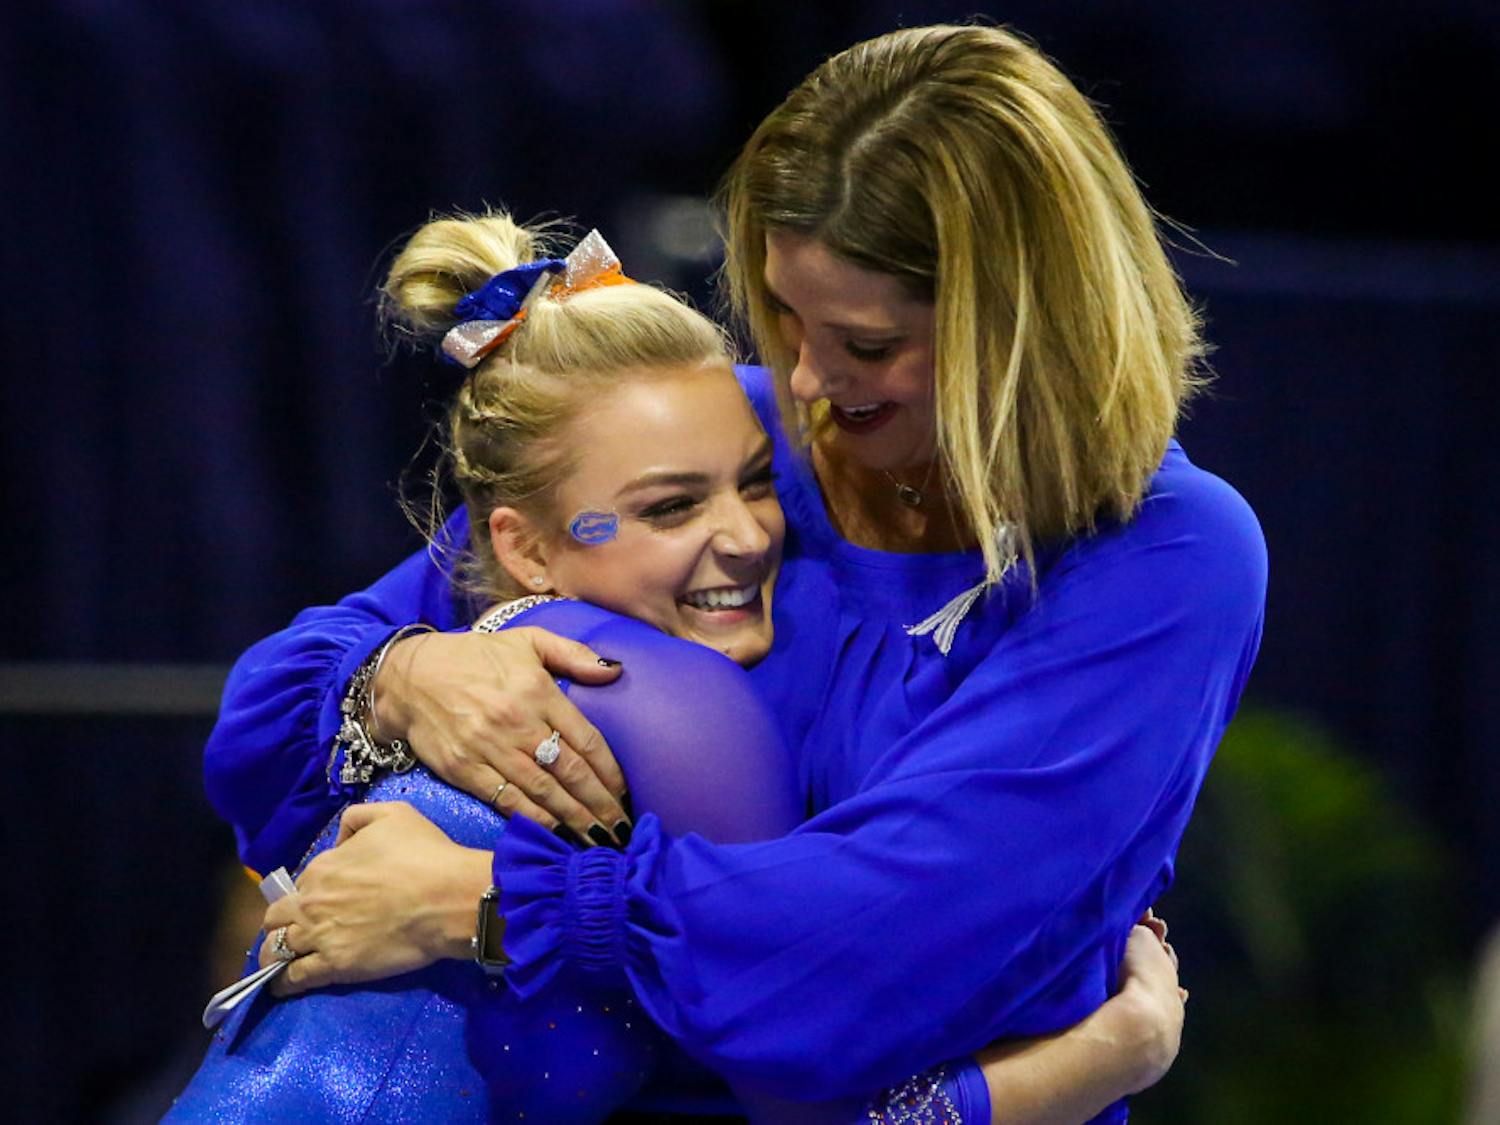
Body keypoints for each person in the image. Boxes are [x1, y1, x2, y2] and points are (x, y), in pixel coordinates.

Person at [210, 24, 1263, 1123]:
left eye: (862, 343)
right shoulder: (733, 435)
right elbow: (271, 718)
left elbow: (869, 954)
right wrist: (404, 678)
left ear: (1021, 327)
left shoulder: (1163, 555)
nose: (808, 376)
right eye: (786, 315)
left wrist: (484, 908)